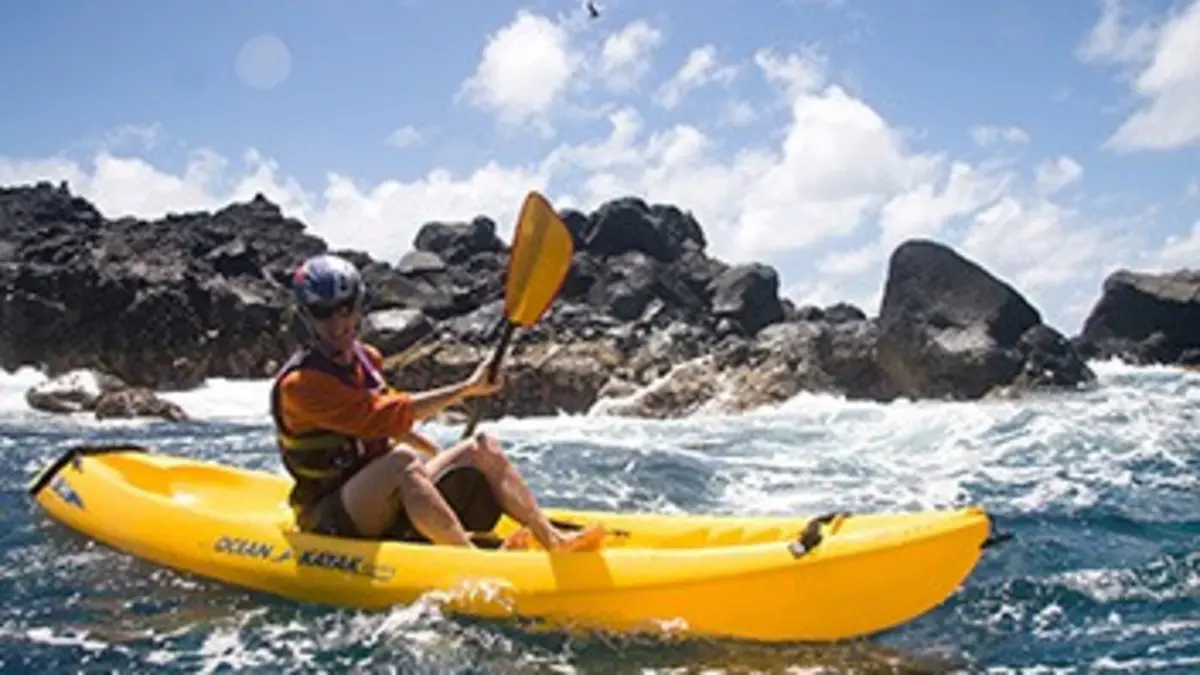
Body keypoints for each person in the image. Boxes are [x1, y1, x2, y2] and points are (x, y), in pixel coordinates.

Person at [270, 253, 605, 552]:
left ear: (358, 308)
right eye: (323, 313)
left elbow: (387, 423)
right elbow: (384, 416)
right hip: (330, 514)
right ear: (307, 317)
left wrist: (433, 456)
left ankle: (552, 539)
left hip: (376, 494)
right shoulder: (301, 386)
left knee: (482, 447)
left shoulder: (366, 358)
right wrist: (466, 389)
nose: (337, 323)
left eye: (345, 309)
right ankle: (471, 563)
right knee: (402, 462)